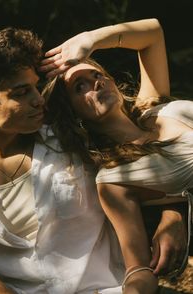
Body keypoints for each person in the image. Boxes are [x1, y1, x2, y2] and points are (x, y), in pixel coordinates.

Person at [0, 23, 186, 294]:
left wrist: (175, 214)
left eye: (35, 87)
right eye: (21, 93)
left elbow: (155, 160)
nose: (38, 100)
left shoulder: (73, 134)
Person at [41, 18, 191, 293]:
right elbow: (138, 269)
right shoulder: (114, 179)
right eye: (80, 87)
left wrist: (91, 39)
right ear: (74, 116)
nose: (96, 83)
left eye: (97, 74)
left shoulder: (153, 104)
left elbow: (154, 33)